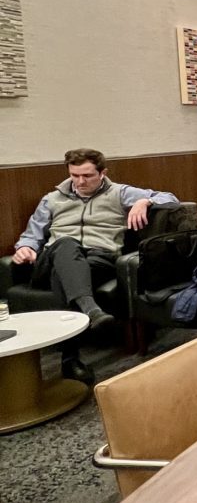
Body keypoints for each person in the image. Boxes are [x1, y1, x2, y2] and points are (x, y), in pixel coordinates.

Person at [12, 148, 179, 383]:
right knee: (66, 245)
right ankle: (91, 310)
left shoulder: (119, 193)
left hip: (99, 260)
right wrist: (24, 249)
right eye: (74, 175)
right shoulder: (51, 199)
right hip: (51, 258)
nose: (80, 182)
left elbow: (171, 199)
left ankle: (70, 358)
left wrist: (145, 200)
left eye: (87, 176)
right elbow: (32, 235)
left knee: (66, 275)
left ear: (102, 173)